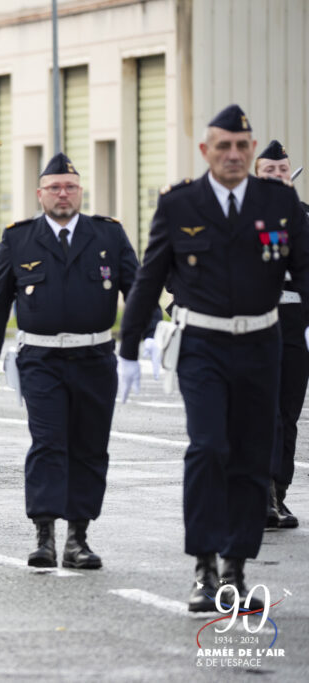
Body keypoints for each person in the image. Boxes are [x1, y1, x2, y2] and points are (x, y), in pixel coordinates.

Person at [119, 104, 309, 612]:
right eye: (222, 146)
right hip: (202, 345)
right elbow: (151, 275)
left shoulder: (280, 202)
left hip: (261, 343)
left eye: (241, 146)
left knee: (251, 455)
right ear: (205, 151)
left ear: (251, 150)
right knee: (207, 448)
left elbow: (305, 269)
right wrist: (129, 348)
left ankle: (236, 568)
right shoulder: (181, 204)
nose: (233, 154)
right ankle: (203, 565)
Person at [0, 153, 138, 567]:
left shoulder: (108, 235)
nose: (62, 195)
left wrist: (146, 338)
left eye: (70, 187)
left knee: (89, 447)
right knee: (48, 444)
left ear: (80, 191)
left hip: (95, 357)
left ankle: (78, 538)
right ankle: (44, 535)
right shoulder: (18, 238)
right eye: (54, 188)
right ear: (40, 194)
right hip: (41, 359)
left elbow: (138, 292)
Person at [254, 140, 306, 530]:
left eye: (282, 171)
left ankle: (278, 493)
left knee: (287, 415)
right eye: (269, 171)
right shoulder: (237, 218)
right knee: (261, 414)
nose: (276, 176)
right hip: (252, 328)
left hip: (293, 328)